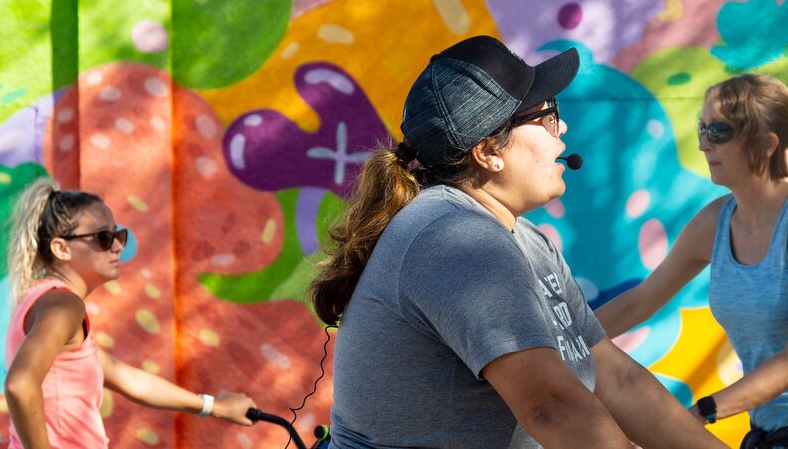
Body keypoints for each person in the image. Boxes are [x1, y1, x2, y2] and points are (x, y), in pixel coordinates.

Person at [309, 36, 726, 448]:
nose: (561, 127)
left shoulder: (520, 238)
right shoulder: (454, 240)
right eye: (546, 116)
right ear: (490, 150)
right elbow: (551, 407)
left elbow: (616, 378)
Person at [595, 74, 788, 448]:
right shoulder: (714, 222)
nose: (704, 144)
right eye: (701, 128)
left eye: (718, 131)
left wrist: (696, 416)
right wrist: (552, 343)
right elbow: (639, 302)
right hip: (769, 435)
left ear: (767, 143)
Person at [2, 179, 258, 448]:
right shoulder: (63, 305)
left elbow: (131, 380)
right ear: (61, 248)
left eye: (118, 236)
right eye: (103, 238)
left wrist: (215, 407)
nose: (117, 247)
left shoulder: (46, 303)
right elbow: (20, 385)